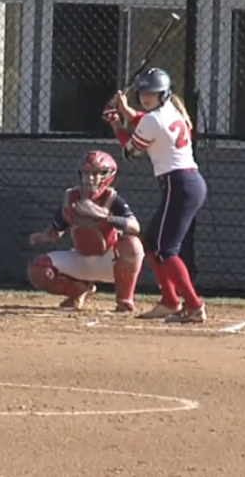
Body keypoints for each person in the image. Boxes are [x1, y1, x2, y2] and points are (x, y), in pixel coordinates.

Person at [103, 68, 207, 324]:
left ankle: (193, 305)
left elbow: (131, 153)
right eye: (144, 92)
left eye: (153, 93)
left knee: (166, 249)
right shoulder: (171, 112)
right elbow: (145, 122)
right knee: (153, 242)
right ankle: (170, 301)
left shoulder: (153, 120)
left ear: (164, 94)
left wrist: (116, 124)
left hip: (178, 184)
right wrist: (125, 111)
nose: (147, 97)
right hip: (187, 183)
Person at [26, 150, 144, 312]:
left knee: (133, 245)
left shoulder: (112, 199)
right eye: (86, 173)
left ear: (108, 176)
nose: (90, 179)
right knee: (38, 269)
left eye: (96, 174)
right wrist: (44, 236)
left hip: (109, 262)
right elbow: (56, 231)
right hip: (82, 258)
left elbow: (135, 226)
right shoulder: (71, 198)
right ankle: (78, 290)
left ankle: (124, 299)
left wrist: (107, 218)